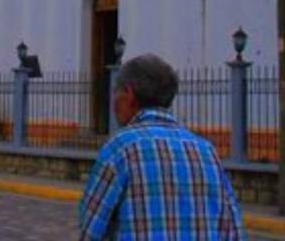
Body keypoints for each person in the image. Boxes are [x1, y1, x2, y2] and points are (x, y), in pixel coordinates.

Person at [78, 54, 243, 240]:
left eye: (116, 93)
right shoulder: (207, 151)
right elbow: (232, 231)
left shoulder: (120, 148)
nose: (114, 103)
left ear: (129, 94)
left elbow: (91, 228)